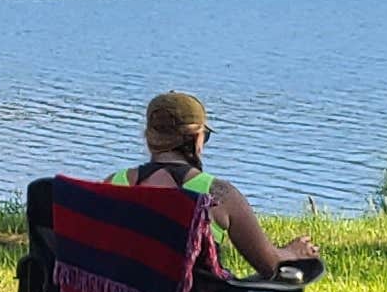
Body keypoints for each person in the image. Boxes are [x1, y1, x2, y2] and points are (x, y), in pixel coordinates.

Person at [125, 91, 319, 278]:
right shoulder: (218, 195)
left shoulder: (116, 184)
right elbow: (271, 267)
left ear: (149, 137)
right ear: (196, 138)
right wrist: (293, 252)